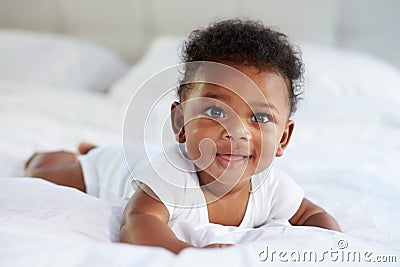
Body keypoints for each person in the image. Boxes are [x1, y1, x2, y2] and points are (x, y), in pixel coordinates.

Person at [25, 19, 341, 254]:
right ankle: (71, 154)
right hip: (116, 169)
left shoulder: (271, 187)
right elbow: (139, 221)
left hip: (143, 156)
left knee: (138, 153)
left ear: (283, 139)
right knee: (45, 173)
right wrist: (187, 253)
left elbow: (312, 215)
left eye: (260, 117)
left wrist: (328, 248)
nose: (236, 132)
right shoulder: (172, 175)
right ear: (180, 122)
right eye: (216, 112)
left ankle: (96, 148)